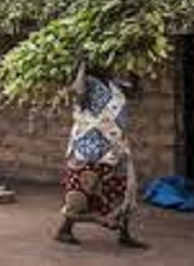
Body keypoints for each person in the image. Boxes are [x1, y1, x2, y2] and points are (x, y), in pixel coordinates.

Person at [55, 63, 148, 248]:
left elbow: (136, 93)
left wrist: (134, 67)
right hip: (88, 147)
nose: (110, 65)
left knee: (123, 189)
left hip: (116, 147)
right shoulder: (85, 82)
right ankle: (64, 229)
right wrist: (81, 63)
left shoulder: (115, 84)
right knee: (80, 192)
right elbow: (78, 92)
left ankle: (124, 232)